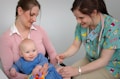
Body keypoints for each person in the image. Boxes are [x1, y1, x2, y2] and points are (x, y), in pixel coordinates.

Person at [56, 0, 120, 79]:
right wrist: (64, 55)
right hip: (90, 60)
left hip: (109, 66)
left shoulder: (113, 27)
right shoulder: (82, 25)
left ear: (94, 13)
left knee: (76, 77)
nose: (78, 21)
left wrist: (77, 71)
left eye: (81, 17)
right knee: (64, 74)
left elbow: (104, 60)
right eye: (76, 18)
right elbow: (75, 46)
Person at [0, 0, 57, 79]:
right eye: (32, 14)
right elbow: (8, 71)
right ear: (20, 11)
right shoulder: (5, 39)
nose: (35, 19)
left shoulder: (40, 30)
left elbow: (52, 53)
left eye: (36, 16)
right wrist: (31, 77)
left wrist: (49, 69)